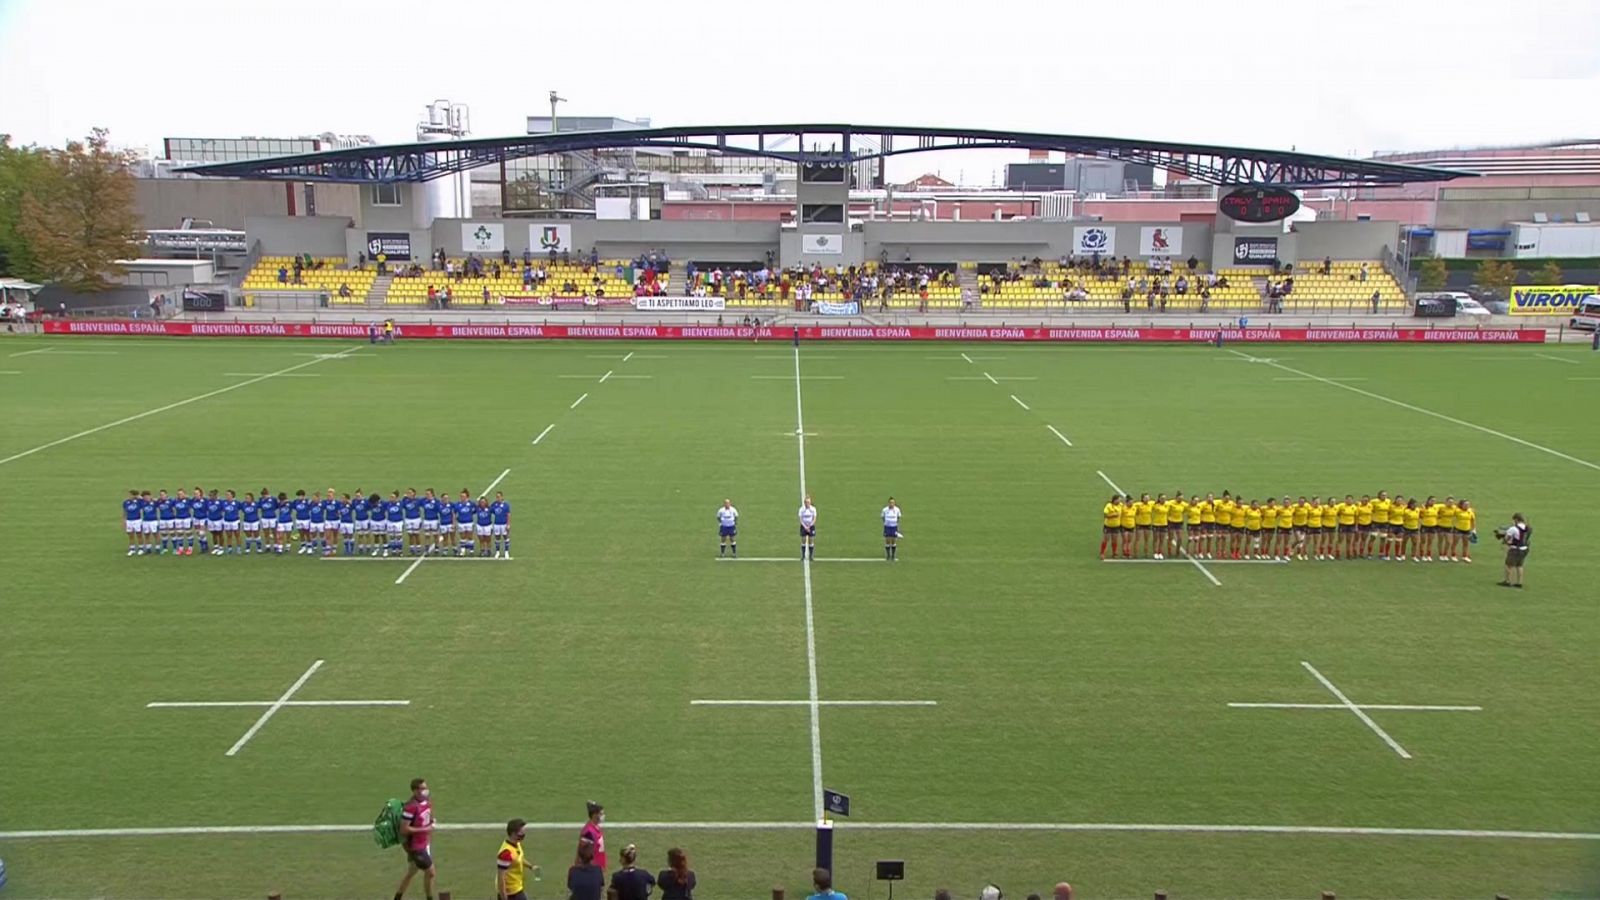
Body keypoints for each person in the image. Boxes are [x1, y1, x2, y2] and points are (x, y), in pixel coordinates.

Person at [394, 777, 436, 900]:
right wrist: (425, 830)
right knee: (431, 873)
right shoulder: (411, 807)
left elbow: (429, 813)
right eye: (422, 788)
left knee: (412, 871)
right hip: (416, 847)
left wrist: (432, 821)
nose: (425, 790)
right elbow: (404, 829)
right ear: (415, 791)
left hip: (425, 843)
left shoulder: (426, 801)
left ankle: (397, 897)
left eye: (425, 787)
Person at [496, 818, 540, 900]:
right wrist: (504, 897)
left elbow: (519, 859)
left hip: (517, 888)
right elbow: (500, 878)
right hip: (510, 893)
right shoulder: (506, 853)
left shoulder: (516, 844)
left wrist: (531, 866)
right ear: (513, 834)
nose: (523, 834)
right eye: (521, 833)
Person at [1498, 512, 1530, 588]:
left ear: (1516, 520)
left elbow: (1507, 539)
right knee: (1519, 565)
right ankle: (1519, 582)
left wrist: (1504, 540)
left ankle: (1507, 581)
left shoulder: (1513, 529)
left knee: (1508, 565)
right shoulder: (1527, 528)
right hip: (1524, 548)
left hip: (1515, 549)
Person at [1455, 498, 1477, 563]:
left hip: (1467, 529)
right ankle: (1454, 555)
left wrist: (1474, 529)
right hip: (1458, 529)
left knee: (1466, 544)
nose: (1467, 506)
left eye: (1468, 504)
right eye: (1465, 504)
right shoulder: (1457, 510)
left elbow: (1473, 520)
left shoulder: (1470, 511)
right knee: (1455, 543)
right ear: (1462, 505)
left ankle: (1465, 556)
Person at [492, 491, 512, 559]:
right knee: (497, 537)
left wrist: (508, 524)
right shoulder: (494, 504)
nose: (498, 498)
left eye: (499, 497)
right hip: (497, 523)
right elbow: (490, 511)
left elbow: (508, 515)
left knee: (505, 537)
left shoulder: (506, 505)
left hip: (503, 524)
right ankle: (497, 552)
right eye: (497, 497)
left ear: (502, 497)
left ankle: (506, 552)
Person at [881, 497, 902, 561]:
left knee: (893, 541)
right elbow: (883, 517)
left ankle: (893, 556)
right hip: (887, 527)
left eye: (893, 502)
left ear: (894, 503)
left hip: (894, 527)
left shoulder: (897, 510)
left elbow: (898, 517)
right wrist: (886, 523)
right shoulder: (885, 510)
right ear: (888, 503)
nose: (891, 504)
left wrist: (895, 522)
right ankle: (888, 555)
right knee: (887, 540)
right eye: (890, 502)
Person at [799, 494, 818, 561]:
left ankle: (811, 556)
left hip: (811, 526)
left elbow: (814, 518)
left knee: (811, 541)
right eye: (806, 502)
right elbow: (801, 519)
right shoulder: (801, 509)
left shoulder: (813, 509)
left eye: (808, 502)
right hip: (804, 526)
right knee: (803, 541)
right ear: (804, 502)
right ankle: (803, 556)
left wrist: (809, 526)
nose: (807, 503)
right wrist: (805, 526)